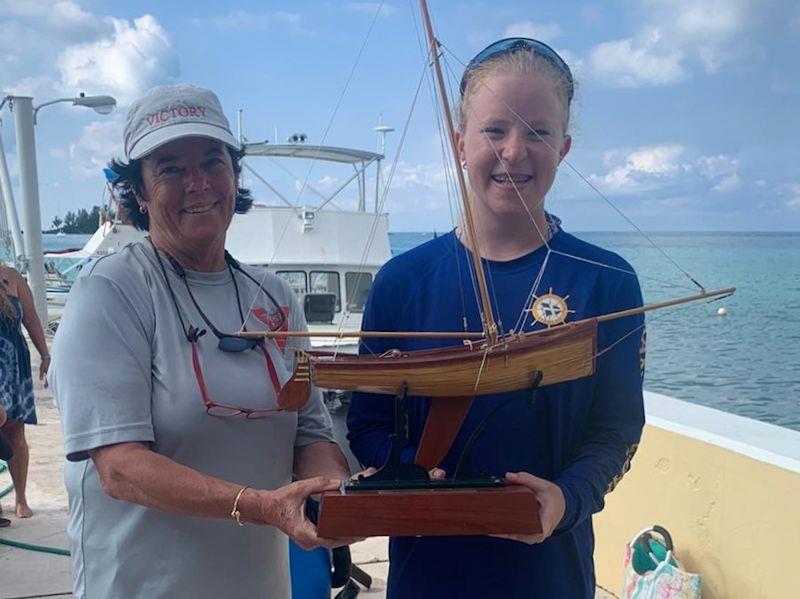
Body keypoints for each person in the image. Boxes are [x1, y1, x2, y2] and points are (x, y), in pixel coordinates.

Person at [347, 38, 646, 598]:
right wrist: (414, 473)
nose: (514, 151)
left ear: (564, 146)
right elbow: (366, 424)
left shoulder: (607, 282)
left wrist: (566, 498)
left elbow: (617, 430)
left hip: (551, 575)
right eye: (494, 131)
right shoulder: (401, 281)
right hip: (427, 575)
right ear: (461, 143)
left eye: (537, 132)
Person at [49, 84, 357, 599]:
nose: (198, 183)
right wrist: (260, 506)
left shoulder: (276, 297)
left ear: (235, 175)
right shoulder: (110, 290)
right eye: (169, 168)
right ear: (139, 193)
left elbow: (310, 433)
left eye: (213, 161)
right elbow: (120, 467)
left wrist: (334, 494)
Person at [1, 262, 49, 520]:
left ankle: (20, 497)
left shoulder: (11, 276)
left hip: (14, 364)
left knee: (15, 432)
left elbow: (31, 319)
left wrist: (45, 354)